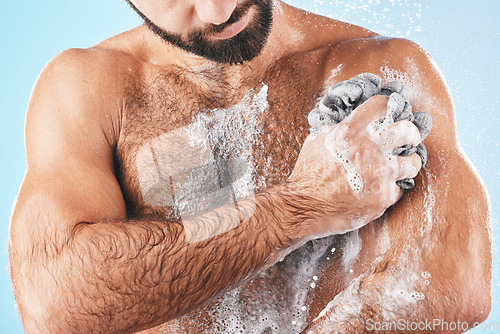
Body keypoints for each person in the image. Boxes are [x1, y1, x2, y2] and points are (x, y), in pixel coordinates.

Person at [9, 0, 492, 333]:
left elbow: (456, 284)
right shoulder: (89, 90)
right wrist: (299, 208)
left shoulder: (376, 68)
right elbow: (54, 302)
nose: (221, 11)